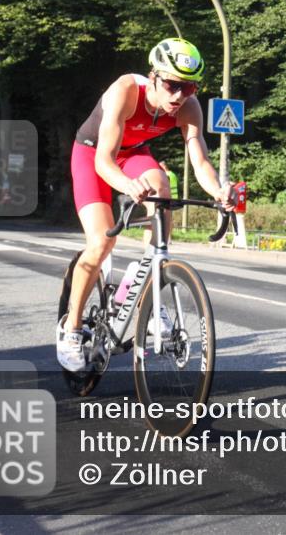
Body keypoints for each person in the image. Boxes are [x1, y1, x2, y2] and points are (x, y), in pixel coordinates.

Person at [58, 38, 235, 371]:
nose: (179, 95)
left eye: (189, 87)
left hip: (133, 153)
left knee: (161, 185)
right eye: (172, 85)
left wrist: (218, 190)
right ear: (154, 76)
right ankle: (71, 328)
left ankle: (146, 288)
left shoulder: (189, 107)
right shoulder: (126, 90)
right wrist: (127, 185)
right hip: (93, 154)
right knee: (101, 243)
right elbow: (104, 161)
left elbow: (200, 161)